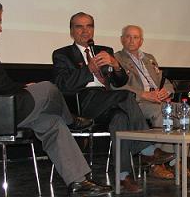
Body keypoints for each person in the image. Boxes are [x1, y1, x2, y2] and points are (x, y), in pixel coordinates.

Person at [0, 0, 112, 196]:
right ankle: (73, 120)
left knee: (52, 122)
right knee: (48, 88)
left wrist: (23, 86)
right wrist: (23, 89)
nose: (0, 28)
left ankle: (78, 181)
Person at [52, 12, 175, 192]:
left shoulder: (105, 51)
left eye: (89, 26)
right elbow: (62, 85)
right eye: (79, 26)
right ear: (72, 31)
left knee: (120, 119)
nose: (85, 31)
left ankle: (123, 176)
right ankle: (147, 150)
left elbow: (120, 82)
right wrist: (89, 69)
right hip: (83, 101)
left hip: (108, 100)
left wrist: (116, 66)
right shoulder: (62, 54)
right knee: (125, 96)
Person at [114, 25, 190, 179]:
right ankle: (157, 164)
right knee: (163, 114)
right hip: (138, 103)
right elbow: (118, 86)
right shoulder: (117, 59)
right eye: (128, 36)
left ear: (141, 41)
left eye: (136, 37)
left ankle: (178, 161)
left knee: (187, 112)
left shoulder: (149, 58)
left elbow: (164, 81)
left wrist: (167, 92)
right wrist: (144, 94)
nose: (132, 40)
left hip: (158, 100)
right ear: (122, 39)